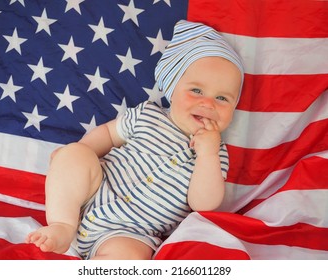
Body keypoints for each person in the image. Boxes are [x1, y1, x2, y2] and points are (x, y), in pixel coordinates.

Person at [25, 20, 244, 260]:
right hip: (91, 194)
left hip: (131, 232)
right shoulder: (147, 114)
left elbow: (203, 203)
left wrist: (208, 154)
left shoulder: (215, 153)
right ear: (172, 89)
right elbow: (108, 134)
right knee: (74, 153)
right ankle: (62, 225)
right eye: (197, 91)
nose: (208, 103)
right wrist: (80, 152)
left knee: (129, 259)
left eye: (222, 98)